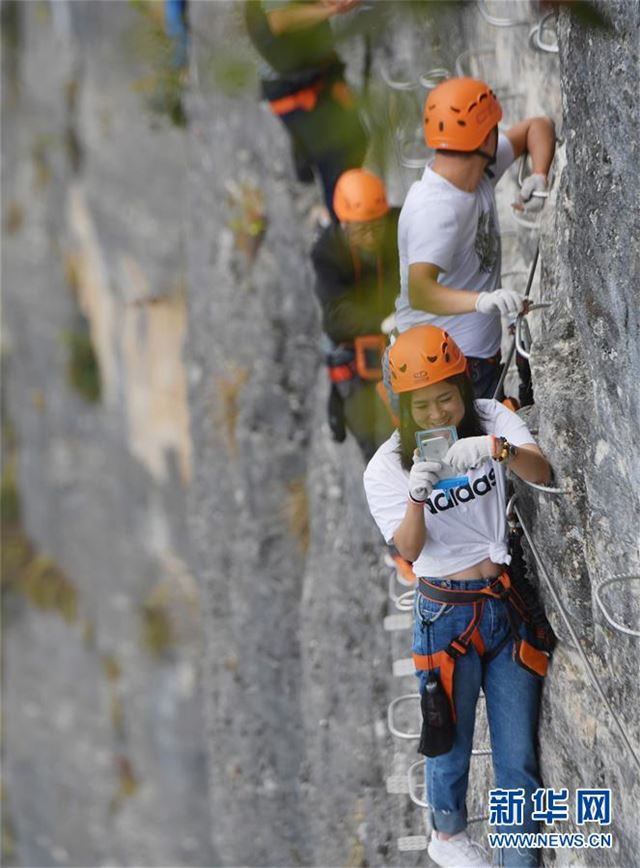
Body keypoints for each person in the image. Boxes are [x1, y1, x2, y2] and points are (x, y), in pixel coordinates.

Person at [364, 325, 553, 868]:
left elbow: (541, 471)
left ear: (465, 386)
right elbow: (409, 549)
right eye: (420, 405)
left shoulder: (492, 419)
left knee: (517, 757)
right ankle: (446, 835)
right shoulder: (385, 469)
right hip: (444, 612)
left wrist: (497, 449)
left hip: (504, 601)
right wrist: (417, 498)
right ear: (401, 407)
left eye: (446, 397)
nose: (436, 414)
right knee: (450, 743)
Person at [395, 77, 556, 399]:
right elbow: (421, 291)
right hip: (447, 367)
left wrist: (538, 174)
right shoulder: (435, 210)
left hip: (476, 356)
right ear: (485, 140)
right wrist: (483, 301)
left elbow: (537, 127)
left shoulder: (478, 170)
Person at [244, 0, 368, 218]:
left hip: (312, 77)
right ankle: (342, 232)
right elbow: (278, 20)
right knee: (338, 163)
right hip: (298, 89)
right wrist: (329, 10)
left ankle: (304, 161)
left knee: (354, 143)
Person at [312, 168, 399, 459]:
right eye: (362, 229)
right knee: (373, 439)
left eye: (377, 225)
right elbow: (336, 317)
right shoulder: (328, 252)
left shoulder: (399, 225)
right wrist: (381, 321)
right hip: (355, 348)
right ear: (344, 225)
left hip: (398, 332)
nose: (372, 235)